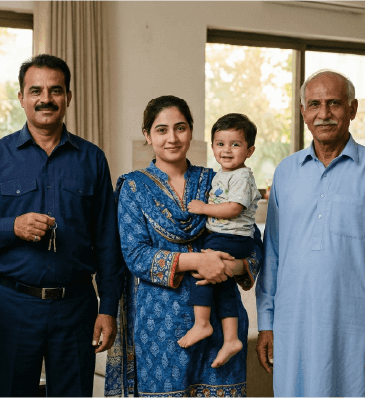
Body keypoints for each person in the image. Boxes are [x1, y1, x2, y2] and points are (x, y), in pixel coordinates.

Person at [0, 54, 124, 397]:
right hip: (13, 305)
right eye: (35, 90)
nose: (45, 99)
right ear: (21, 97)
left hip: (76, 306)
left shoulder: (92, 158)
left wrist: (108, 309)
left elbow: (108, 242)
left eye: (55, 90)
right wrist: (13, 227)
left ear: (68, 97)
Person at [255, 69, 365, 396]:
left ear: (352, 109)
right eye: (314, 104)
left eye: (334, 104)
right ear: (302, 113)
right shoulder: (286, 172)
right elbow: (273, 256)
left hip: (357, 330)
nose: (323, 114)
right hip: (292, 326)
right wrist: (266, 323)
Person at [105, 96, 263, 397]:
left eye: (180, 128)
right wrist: (198, 263)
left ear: (191, 131)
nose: (172, 138)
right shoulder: (133, 187)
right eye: (162, 130)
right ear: (148, 136)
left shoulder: (217, 179)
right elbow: (136, 256)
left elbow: (251, 241)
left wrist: (234, 267)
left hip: (221, 323)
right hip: (160, 325)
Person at [179, 113, 262, 369]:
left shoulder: (242, 177)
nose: (227, 150)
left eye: (235, 144)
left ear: (250, 150)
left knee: (202, 268)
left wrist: (203, 208)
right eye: (220, 143)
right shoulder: (220, 175)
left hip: (232, 237)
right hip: (224, 236)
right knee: (223, 286)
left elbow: (233, 208)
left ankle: (201, 324)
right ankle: (231, 338)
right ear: (213, 145)